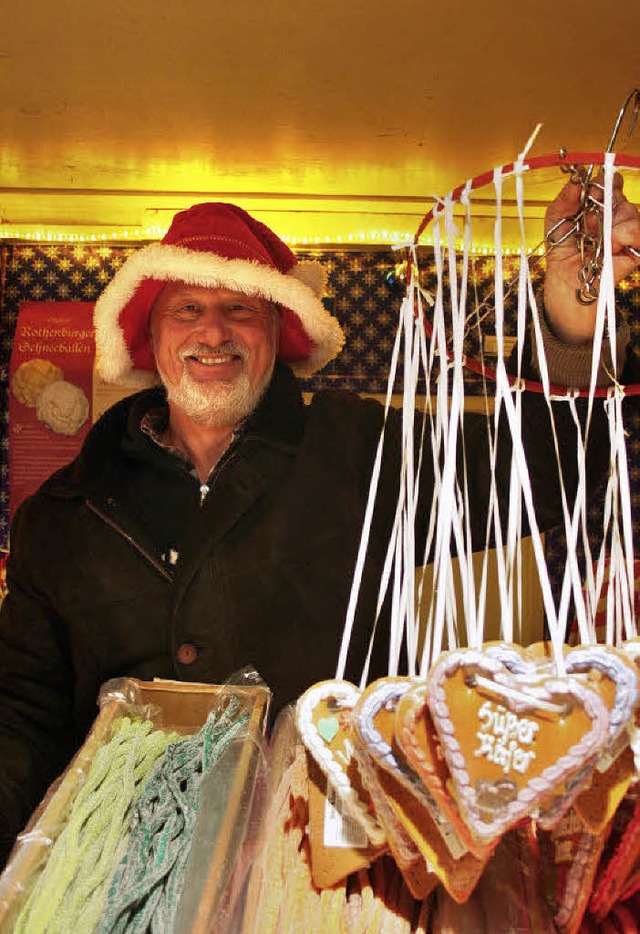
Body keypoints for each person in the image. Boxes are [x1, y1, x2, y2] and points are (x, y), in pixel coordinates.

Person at [0, 178, 638, 868]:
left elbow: (539, 469)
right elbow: (21, 715)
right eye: (187, 308)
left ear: (278, 329)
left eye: (239, 308)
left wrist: (573, 310)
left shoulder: (359, 449)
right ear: (149, 334)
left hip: (325, 857)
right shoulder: (65, 514)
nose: (212, 332)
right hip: (114, 863)